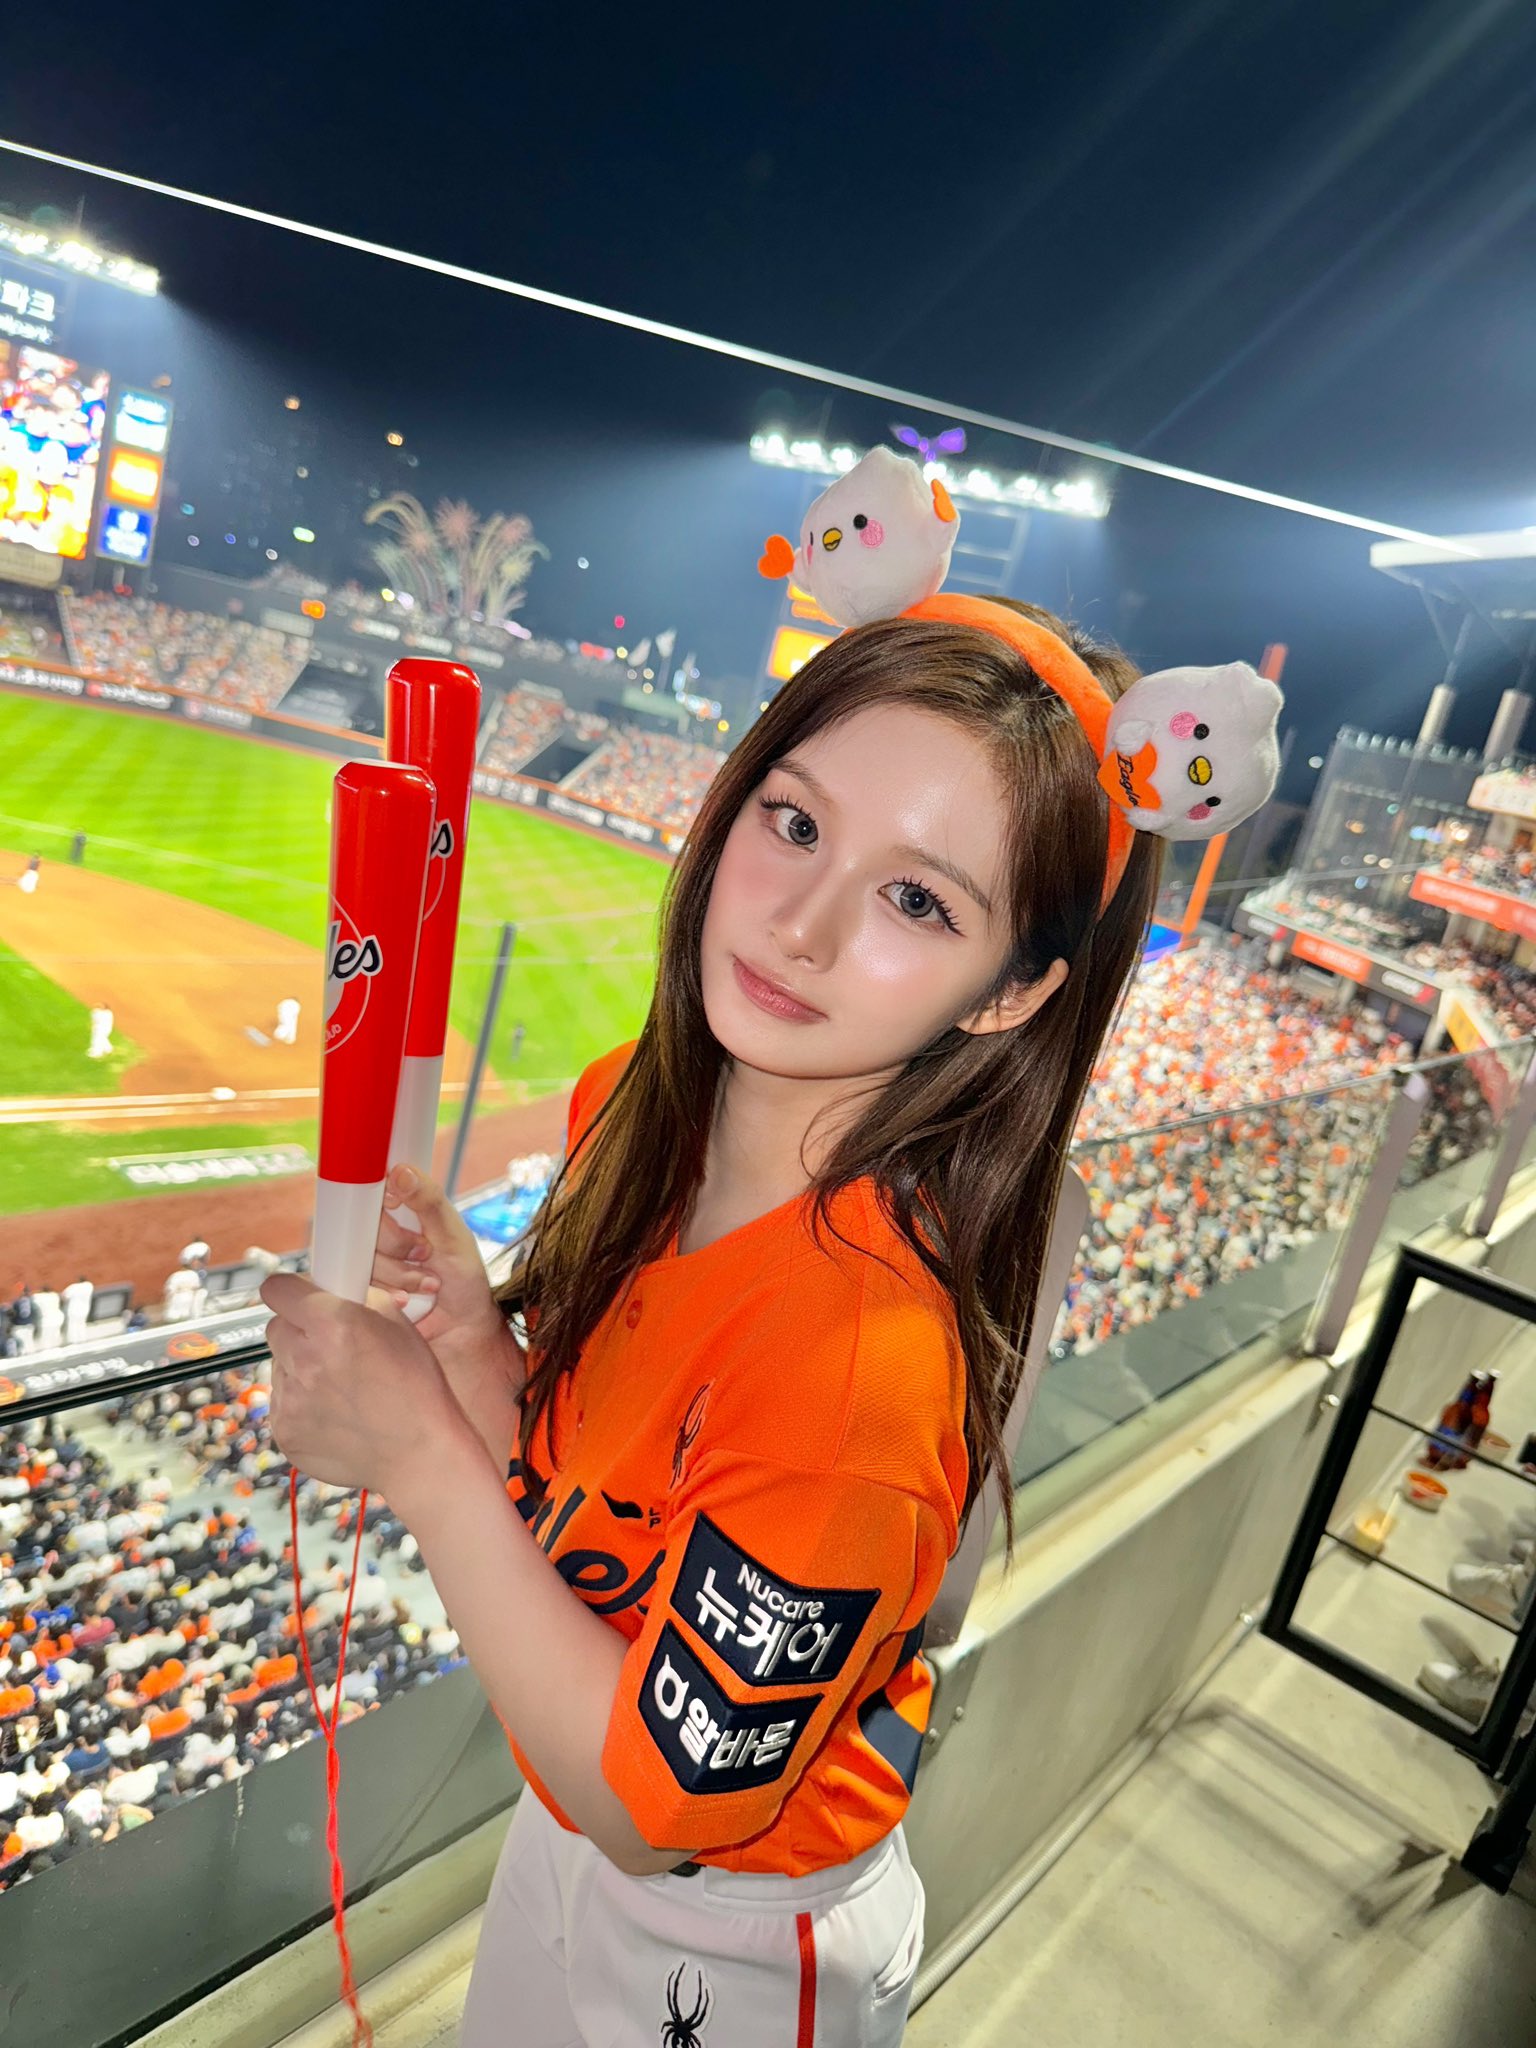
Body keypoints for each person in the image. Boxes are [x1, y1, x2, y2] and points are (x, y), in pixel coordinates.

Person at [259, 593, 1279, 2046]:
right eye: (795, 822)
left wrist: (422, 1455)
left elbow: (653, 1809)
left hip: (734, 1932)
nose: (801, 927)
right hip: (564, 1818)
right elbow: (596, 1511)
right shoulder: (630, 1106)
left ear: (1012, 992)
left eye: (918, 901)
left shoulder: (861, 1368)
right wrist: (477, 1347)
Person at [60, 1279, 93, 1349]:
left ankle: (73, 1342)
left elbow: (64, 1296)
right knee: (82, 1324)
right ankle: (82, 1340)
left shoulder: (73, 1287)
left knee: (72, 1326)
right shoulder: (89, 1286)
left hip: (73, 1309)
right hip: (84, 1309)